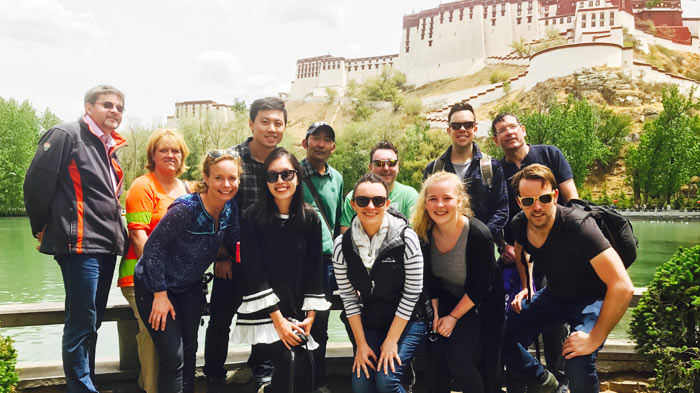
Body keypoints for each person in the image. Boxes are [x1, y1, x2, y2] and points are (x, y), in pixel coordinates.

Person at [23, 85, 128, 393]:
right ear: (88, 106)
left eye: (120, 107)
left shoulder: (109, 147)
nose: (114, 111)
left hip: (105, 244)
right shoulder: (66, 135)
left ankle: (85, 382)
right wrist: (41, 227)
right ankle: (81, 388)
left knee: (91, 320)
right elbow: (35, 183)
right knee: (82, 319)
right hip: (79, 243)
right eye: (107, 104)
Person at [502, 164, 634, 392]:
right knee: (501, 334)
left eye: (543, 198)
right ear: (519, 202)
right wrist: (526, 286)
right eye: (528, 201)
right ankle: (545, 382)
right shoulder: (520, 224)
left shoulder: (579, 227)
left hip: (593, 300)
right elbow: (521, 251)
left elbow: (622, 286)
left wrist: (593, 338)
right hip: (555, 295)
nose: (537, 207)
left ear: (555, 196)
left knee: (578, 359)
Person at [133, 149, 241, 393]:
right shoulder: (186, 208)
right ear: (206, 177)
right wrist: (160, 294)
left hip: (190, 286)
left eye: (232, 178)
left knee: (190, 350)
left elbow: (237, 240)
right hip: (155, 286)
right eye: (219, 178)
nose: (226, 184)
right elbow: (153, 248)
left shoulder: (229, 206)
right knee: (174, 356)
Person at [423, 102, 508, 392]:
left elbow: (502, 210)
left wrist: (473, 236)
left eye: (467, 125)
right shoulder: (433, 168)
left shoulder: (490, 167)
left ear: (475, 129)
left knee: (489, 360)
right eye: (456, 125)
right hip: (450, 291)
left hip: (481, 274)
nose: (461, 130)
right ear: (448, 129)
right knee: (438, 360)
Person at [204, 97, 286, 392]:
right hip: (232, 259)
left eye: (278, 122)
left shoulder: (283, 163)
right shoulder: (232, 160)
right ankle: (213, 374)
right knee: (220, 320)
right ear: (251, 124)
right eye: (265, 121)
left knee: (266, 316)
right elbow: (215, 209)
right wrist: (222, 253)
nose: (271, 128)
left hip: (268, 262)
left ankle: (260, 373)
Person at [492, 112, 578, 392]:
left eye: (512, 127)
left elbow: (572, 202)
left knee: (555, 323)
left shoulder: (550, 155)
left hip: (555, 257)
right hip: (514, 256)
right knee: (513, 321)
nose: (509, 133)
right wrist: (501, 245)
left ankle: (558, 383)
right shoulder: (494, 171)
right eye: (501, 130)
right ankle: (521, 381)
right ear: (496, 140)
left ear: (523, 130)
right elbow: (493, 216)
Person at [233, 147, 330, 393]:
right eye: (272, 176)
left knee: (307, 366)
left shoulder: (310, 218)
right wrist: (278, 321)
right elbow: (253, 272)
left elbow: (314, 269)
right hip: (264, 310)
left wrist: (310, 314)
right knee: (288, 364)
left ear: (297, 176)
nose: (280, 181)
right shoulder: (252, 217)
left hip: (298, 308)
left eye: (286, 174)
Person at [333, 173, 428, 393]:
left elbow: (413, 293)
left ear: (387, 203)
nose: (370, 206)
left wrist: (391, 341)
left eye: (377, 200)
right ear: (353, 204)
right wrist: (361, 346)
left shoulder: (406, 238)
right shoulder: (342, 246)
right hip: (373, 321)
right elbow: (348, 298)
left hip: (411, 320)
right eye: (363, 200)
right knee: (361, 384)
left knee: (386, 381)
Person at [117, 129, 190, 393]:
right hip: (142, 277)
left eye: (176, 151)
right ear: (153, 155)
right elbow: (139, 237)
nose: (171, 155)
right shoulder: (143, 186)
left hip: (175, 281)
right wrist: (160, 280)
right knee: (152, 333)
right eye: (164, 150)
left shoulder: (187, 188)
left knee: (175, 342)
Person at [412, 171, 495, 393]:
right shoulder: (424, 233)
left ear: (459, 200)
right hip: (445, 301)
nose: (440, 205)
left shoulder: (479, 234)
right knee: (434, 359)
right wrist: (437, 315)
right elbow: (430, 280)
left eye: (447, 198)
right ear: (425, 204)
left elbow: (481, 287)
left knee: (458, 359)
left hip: (478, 306)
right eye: (433, 199)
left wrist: (452, 318)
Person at [300, 121, 344, 393]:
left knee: (321, 325)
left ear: (333, 147)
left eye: (326, 139)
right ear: (305, 143)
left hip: (326, 263)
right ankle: (294, 380)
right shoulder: (290, 172)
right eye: (315, 137)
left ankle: (318, 382)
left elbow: (339, 219)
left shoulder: (337, 178)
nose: (321, 143)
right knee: (293, 321)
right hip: (296, 261)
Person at [340, 141, 418, 233]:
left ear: (398, 166)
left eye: (391, 163)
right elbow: (345, 235)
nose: (385, 168)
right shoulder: (354, 197)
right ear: (370, 167)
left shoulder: (409, 196)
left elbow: (414, 234)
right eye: (379, 163)